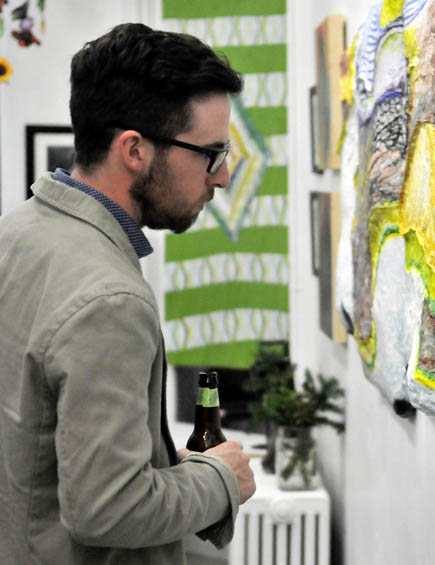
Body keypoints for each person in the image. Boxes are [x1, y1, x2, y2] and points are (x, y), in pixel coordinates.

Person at [0, 23, 256, 564]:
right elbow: (108, 509)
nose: (224, 176)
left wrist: (165, 462)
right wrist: (220, 481)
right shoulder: (111, 300)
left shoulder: (15, 233)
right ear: (134, 150)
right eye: (210, 154)